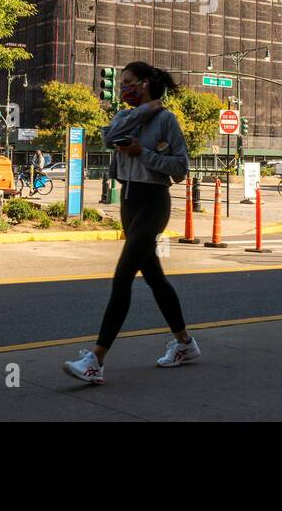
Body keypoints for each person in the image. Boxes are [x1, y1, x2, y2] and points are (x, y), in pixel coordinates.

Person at [64, 62, 196, 385]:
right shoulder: (125, 117)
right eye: (122, 83)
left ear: (145, 82)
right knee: (155, 278)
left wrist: (143, 154)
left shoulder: (167, 121)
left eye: (128, 82)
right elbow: (109, 137)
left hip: (153, 202)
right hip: (128, 201)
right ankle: (185, 344)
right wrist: (144, 110)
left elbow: (181, 168)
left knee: (122, 277)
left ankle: (96, 359)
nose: (123, 88)